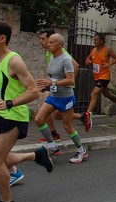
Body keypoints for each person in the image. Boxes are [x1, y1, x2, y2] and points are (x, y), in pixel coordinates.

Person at [0, 21, 53, 202]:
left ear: (1, 39)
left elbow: (33, 92)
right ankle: (36, 155)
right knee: (0, 159)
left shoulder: (13, 61)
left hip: (13, 116)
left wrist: (10, 103)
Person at [35, 34, 89, 164]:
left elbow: (70, 80)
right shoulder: (52, 57)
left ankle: (81, 151)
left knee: (67, 126)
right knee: (39, 119)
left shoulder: (66, 59)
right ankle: (53, 147)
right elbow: (54, 78)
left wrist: (51, 83)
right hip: (53, 96)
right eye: (49, 42)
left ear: (60, 45)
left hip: (65, 97)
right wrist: (46, 87)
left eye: (52, 42)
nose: (48, 44)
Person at [38, 29, 91, 135]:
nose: (41, 41)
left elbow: (75, 65)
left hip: (62, 87)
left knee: (44, 110)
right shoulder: (49, 54)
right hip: (54, 86)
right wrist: (48, 84)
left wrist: (67, 83)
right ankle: (82, 116)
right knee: (57, 115)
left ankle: (54, 134)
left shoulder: (62, 53)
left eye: (43, 39)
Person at [84, 32, 116, 117]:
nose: (94, 41)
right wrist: (88, 62)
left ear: (101, 41)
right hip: (97, 76)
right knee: (106, 94)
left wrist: (108, 64)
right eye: (94, 40)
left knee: (94, 93)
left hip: (104, 76)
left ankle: (87, 115)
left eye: (96, 40)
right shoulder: (93, 50)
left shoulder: (107, 50)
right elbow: (88, 59)